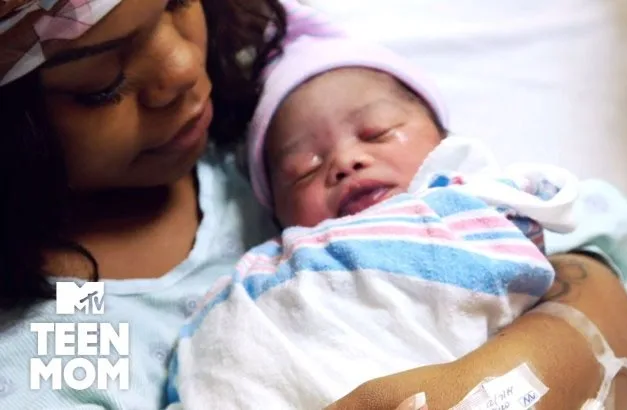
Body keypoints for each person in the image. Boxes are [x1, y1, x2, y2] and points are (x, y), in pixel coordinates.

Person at [0, 1, 627, 409]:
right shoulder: (68, 334)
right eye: (101, 83)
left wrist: (488, 387)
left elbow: (591, 272)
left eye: (176, 2)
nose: (183, 69)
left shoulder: (261, 107)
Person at [163, 20, 595, 409]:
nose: (345, 161)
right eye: (305, 168)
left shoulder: (483, 203)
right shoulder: (267, 273)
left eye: (378, 132)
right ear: (277, 212)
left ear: (444, 140)